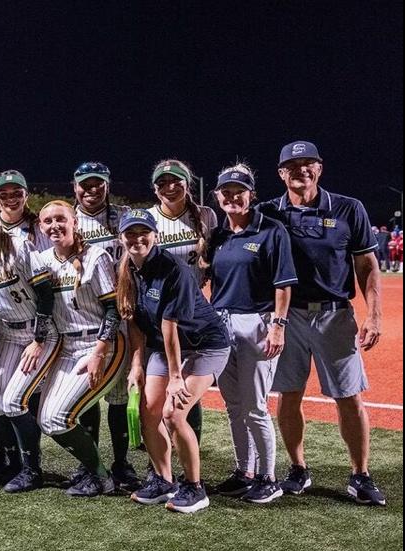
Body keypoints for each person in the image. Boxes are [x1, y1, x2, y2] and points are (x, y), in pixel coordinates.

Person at [257, 140, 387, 505]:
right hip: (287, 316)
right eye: (292, 166)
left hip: (335, 315)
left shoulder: (348, 208)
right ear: (281, 173)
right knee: (288, 394)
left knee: (348, 396)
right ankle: (298, 469)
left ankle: (360, 474)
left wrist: (373, 314)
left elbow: (366, 265)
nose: (301, 170)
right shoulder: (268, 212)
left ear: (320, 168)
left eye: (308, 163)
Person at [119, 209, 230, 514]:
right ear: (121, 237)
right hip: (163, 347)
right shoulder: (128, 268)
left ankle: (195, 488)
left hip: (204, 345)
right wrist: (137, 365)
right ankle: (163, 480)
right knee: (149, 411)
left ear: (155, 236)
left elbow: (171, 328)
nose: (137, 239)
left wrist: (176, 377)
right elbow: (135, 322)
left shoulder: (173, 268)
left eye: (144, 233)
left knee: (173, 413)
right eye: (130, 233)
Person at [207, 165, 296, 504]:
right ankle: (244, 471)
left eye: (239, 190)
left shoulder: (271, 230)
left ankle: (268, 478)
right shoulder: (219, 236)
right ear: (217, 196)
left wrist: (278, 324)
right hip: (222, 323)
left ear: (251, 194)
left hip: (257, 322)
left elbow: (283, 284)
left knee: (256, 406)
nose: (232, 196)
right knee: (233, 404)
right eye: (225, 191)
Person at [33, 200, 127, 497]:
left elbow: (113, 310)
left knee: (58, 417)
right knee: (48, 419)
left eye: (60, 219)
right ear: (40, 227)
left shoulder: (95, 256)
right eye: (47, 221)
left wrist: (99, 353)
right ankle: (92, 469)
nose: (54, 226)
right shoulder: (43, 260)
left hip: (101, 344)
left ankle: (102, 476)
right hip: (66, 346)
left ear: (75, 222)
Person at [0, 201, 56, 493]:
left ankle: (32, 468)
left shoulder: (20, 247)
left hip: (37, 332)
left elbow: (46, 294)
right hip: (6, 331)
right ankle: (9, 461)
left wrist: (38, 341)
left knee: (14, 402)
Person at [70, 161, 139, 490]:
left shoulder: (123, 216)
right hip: (82, 314)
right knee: (87, 392)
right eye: (85, 183)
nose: (91, 189)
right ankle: (90, 461)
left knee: (117, 394)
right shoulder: (67, 218)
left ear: (107, 185)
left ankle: (121, 461)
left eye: (97, 183)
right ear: (75, 186)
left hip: (121, 313)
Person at [147, 159, 217, 454]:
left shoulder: (206, 215)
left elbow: (214, 262)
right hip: (156, 311)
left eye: (176, 181)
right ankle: (158, 457)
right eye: (162, 183)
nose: (169, 187)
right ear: (154, 189)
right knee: (158, 385)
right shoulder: (149, 217)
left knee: (188, 386)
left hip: (192, 313)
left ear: (188, 184)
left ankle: (191, 451)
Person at [0, 170, 48, 252]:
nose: (11, 198)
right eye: (3, 194)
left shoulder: (39, 227)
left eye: (17, 193)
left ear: (26, 195)